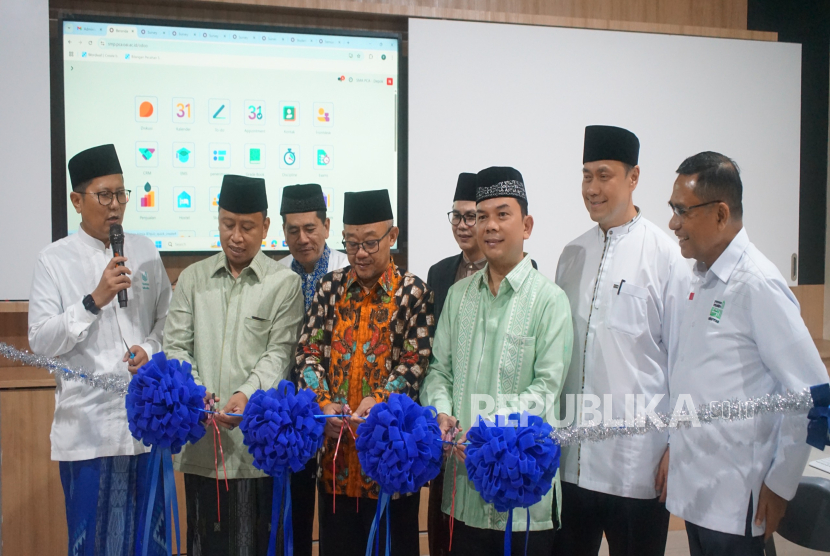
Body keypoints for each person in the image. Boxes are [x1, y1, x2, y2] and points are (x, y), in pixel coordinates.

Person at [666, 152, 827, 556]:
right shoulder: (702, 278)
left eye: (682, 211)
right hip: (700, 494)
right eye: (673, 210)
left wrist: (781, 483)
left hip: (740, 501)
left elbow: (814, 396)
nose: (673, 223)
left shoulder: (757, 285)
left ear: (721, 214)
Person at [552, 126, 692, 556]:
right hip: (571, 464)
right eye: (586, 175)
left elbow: (684, 361)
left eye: (604, 175)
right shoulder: (571, 255)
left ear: (633, 178)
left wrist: (677, 446)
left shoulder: (665, 256)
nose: (592, 188)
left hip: (637, 466)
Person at [421, 166, 573, 556]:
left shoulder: (549, 301)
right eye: (481, 215)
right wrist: (440, 413)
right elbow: (439, 370)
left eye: (502, 214)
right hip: (462, 495)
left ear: (527, 225)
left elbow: (545, 389)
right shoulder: (458, 296)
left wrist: (486, 431)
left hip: (524, 496)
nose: (489, 226)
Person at [28, 144, 171, 556]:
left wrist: (148, 347)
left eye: (121, 194)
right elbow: (39, 341)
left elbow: (169, 320)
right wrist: (93, 300)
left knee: (150, 542)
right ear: (77, 200)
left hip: (146, 430)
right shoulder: (53, 260)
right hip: (88, 431)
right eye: (104, 195)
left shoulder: (144, 250)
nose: (116, 206)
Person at [163, 174, 305, 556]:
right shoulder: (193, 279)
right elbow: (175, 345)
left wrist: (246, 393)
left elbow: (280, 353)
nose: (236, 237)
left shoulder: (283, 283)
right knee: (202, 541)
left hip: (254, 446)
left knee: (253, 543)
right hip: (201, 441)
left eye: (246, 227)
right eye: (228, 225)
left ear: (265, 227)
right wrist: (197, 394)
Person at [294, 189, 434, 556]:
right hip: (336, 457)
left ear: (393, 236)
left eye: (371, 242)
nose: (360, 253)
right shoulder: (330, 288)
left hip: (393, 461)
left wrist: (381, 401)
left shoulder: (413, 293)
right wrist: (322, 403)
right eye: (351, 242)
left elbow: (415, 362)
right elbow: (307, 352)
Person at [277, 183, 348, 556]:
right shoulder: (274, 276)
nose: (302, 238)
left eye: (310, 228)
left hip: (335, 412)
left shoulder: (347, 272)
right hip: (288, 416)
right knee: (293, 514)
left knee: (336, 518)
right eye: (293, 230)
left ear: (326, 226)